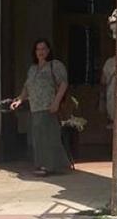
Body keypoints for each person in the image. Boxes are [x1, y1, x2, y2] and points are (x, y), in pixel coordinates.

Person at [10, 39, 71, 176]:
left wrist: (56, 102)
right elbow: (27, 87)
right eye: (38, 49)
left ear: (48, 51)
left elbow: (63, 84)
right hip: (35, 107)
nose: (41, 52)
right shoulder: (32, 69)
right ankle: (41, 164)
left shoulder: (54, 65)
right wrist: (20, 99)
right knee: (37, 138)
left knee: (48, 137)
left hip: (48, 106)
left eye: (43, 49)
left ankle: (49, 166)